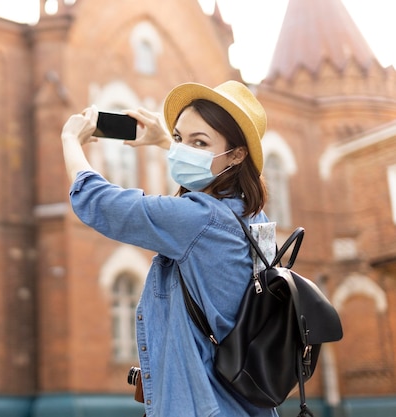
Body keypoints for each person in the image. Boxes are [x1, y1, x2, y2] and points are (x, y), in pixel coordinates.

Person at [60, 80, 278, 417]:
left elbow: (99, 203)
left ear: (236, 154)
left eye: (199, 142)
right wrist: (165, 141)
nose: (184, 150)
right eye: (180, 138)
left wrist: (71, 140)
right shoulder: (254, 218)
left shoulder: (198, 219)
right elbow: (207, 168)